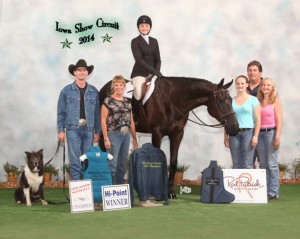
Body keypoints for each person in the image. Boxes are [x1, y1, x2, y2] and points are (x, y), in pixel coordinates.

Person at [57, 59, 100, 180]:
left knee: (86, 159)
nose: (81, 72)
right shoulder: (66, 91)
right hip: (72, 129)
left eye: (84, 70)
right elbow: (61, 112)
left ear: (87, 73)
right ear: (74, 72)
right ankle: (76, 191)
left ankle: (85, 188)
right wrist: (61, 130)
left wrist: (98, 131)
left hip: (89, 129)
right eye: (79, 70)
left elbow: (97, 113)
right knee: (75, 160)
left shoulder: (93, 91)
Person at [101, 75, 138, 184]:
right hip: (113, 134)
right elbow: (103, 120)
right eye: (116, 85)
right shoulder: (108, 101)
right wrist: (106, 138)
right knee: (112, 163)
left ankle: (119, 189)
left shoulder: (127, 102)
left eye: (121, 85)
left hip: (126, 135)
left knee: (122, 164)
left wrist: (135, 140)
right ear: (113, 86)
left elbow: (131, 122)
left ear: (124, 87)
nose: (118, 87)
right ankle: (109, 189)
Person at [224, 75, 261, 169]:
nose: (240, 85)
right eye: (238, 83)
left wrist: (255, 136)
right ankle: (238, 184)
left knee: (247, 163)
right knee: (236, 163)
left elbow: (258, 120)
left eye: (242, 83)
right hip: (233, 134)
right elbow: (226, 120)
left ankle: (247, 184)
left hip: (248, 133)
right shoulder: (230, 100)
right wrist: (225, 136)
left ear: (247, 84)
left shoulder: (253, 100)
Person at [130, 15, 162, 120]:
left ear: (150, 27)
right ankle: (133, 116)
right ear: (138, 27)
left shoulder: (154, 41)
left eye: (147, 26)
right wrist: (154, 71)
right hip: (139, 73)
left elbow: (158, 59)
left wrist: (157, 71)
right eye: (142, 26)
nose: (144, 28)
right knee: (139, 93)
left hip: (153, 73)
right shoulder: (135, 41)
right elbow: (139, 60)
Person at [256, 77, 282, 200]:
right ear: (261, 87)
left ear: (272, 88)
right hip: (260, 135)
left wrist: (277, 136)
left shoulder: (275, 100)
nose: (266, 87)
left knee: (272, 164)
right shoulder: (258, 101)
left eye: (268, 85)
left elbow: (279, 120)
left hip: (271, 133)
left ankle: (273, 192)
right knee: (264, 164)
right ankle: (265, 190)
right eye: (264, 85)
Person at [247, 60, 263, 168]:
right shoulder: (243, 86)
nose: (252, 72)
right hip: (248, 127)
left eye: (255, 70)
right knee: (249, 159)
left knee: (264, 159)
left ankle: (266, 184)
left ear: (260, 73)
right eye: (250, 70)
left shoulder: (266, 86)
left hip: (263, 128)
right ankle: (251, 184)